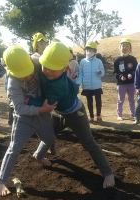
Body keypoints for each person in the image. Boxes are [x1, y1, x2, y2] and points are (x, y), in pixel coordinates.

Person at [27, 42, 115, 189]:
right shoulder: (42, 66)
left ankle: (108, 173)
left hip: (76, 114)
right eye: (45, 65)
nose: (47, 71)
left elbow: (46, 104)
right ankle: (39, 154)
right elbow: (32, 61)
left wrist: (29, 101)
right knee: (48, 135)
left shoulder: (58, 86)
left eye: (53, 69)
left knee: (89, 143)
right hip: (58, 111)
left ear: (64, 69)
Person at [0, 46, 57, 196]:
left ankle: (39, 155)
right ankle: (1, 181)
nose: (28, 77)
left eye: (29, 73)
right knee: (14, 148)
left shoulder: (37, 62)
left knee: (50, 138)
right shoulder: (12, 83)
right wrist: (41, 109)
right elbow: (19, 108)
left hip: (43, 114)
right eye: (22, 76)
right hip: (23, 118)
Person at [76, 41, 105, 122]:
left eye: (91, 49)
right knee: (89, 101)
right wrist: (78, 82)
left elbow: (103, 72)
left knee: (98, 101)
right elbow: (81, 73)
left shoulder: (98, 61)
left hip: (97, 85)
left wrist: (100, 73)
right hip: (87, 85)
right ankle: (91, 116)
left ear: (95, 51)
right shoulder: (83, 61)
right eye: (87, 49)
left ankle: (98, 115)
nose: (88, 51)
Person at [113, 38, 138, 121]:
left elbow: (136, 70)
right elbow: (115, 72)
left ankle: (133, 114)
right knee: (120, 100)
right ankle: (119, 115)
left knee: (132, 100)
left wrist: (132, 74)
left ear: (130, 48)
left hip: (131, 83)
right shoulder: (117, 60)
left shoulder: (133, 59)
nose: (125, 47)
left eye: (127, 46)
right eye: (123, 46)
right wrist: (120, 77)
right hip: (121, 84)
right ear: (120, 47)